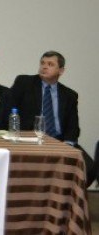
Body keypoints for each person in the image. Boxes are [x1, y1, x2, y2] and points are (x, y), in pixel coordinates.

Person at [10, 51, 96, 187]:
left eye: (50, 64)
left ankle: (68, 196)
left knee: (90, 168)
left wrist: (68, 145)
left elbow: (73, 126)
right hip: (30, 139)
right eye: (42, 63)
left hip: (59, 141)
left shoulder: (70, 95)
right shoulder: (24, 83)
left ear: (61, 70)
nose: (44, 67)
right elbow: (9, 108)